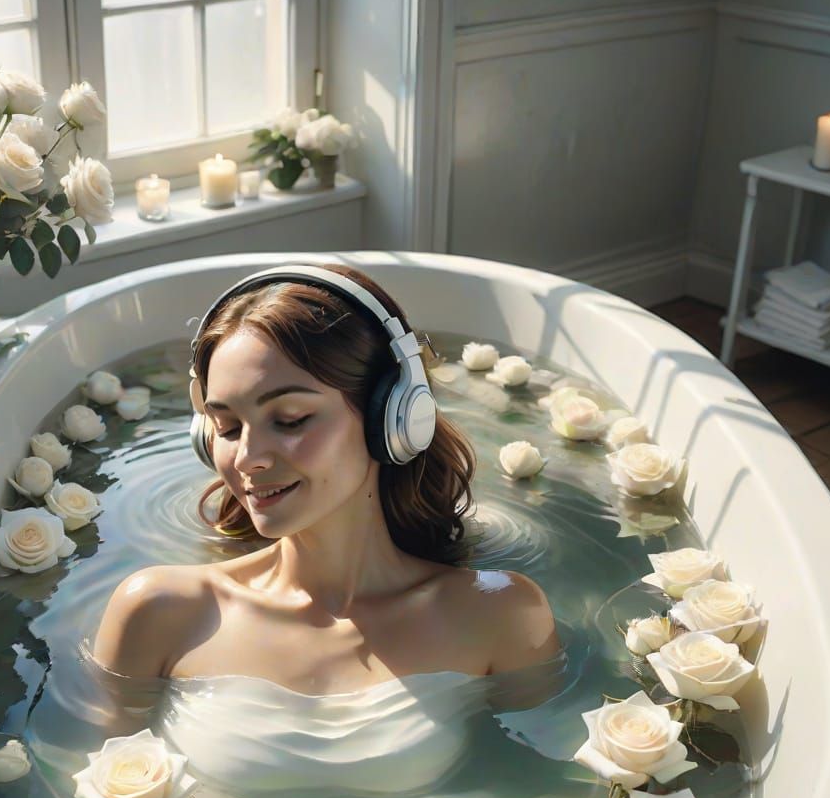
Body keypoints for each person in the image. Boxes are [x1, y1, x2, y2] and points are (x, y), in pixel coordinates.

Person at [92, 263, 562, 694]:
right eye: (228, 427)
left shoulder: (500, 615)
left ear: (392, 417)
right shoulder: (157, 612)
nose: (248, 458)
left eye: (291, 419)